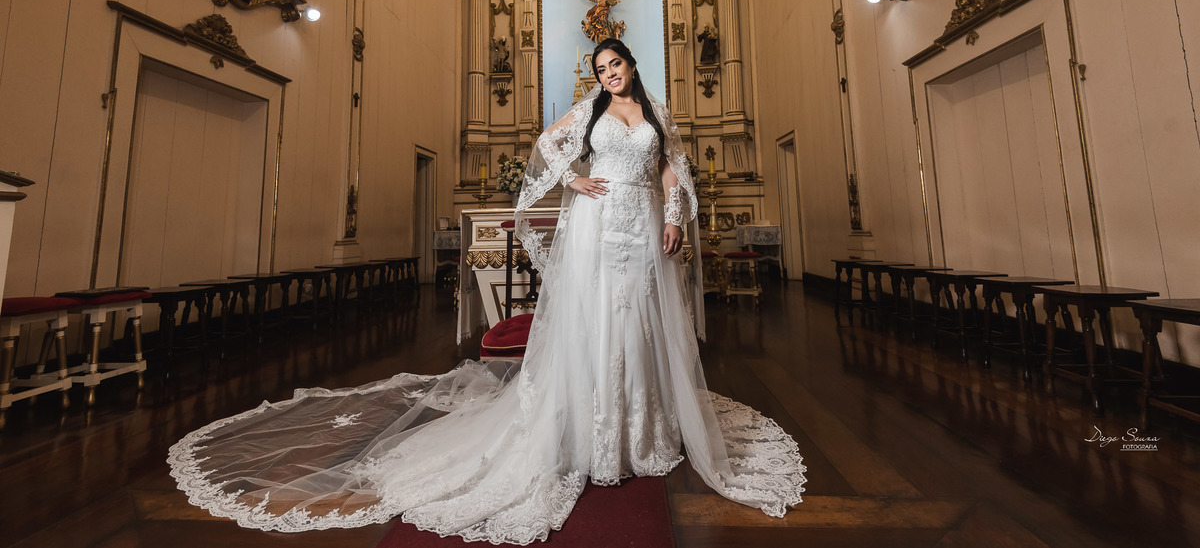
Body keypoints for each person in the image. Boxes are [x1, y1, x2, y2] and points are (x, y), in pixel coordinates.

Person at [168, 38, 805, 542]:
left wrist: (671, 219)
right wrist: (572, 181)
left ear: (632, 64)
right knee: (596, 324)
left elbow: (672, 172)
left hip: (641, 228)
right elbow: (541, 143)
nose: (609, 73)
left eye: (616, 64)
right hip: (594, 227)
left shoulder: (656, 113)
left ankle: (644, 431)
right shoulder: (590, 111)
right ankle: (590, 431)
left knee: (636, 321)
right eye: (600, 67)